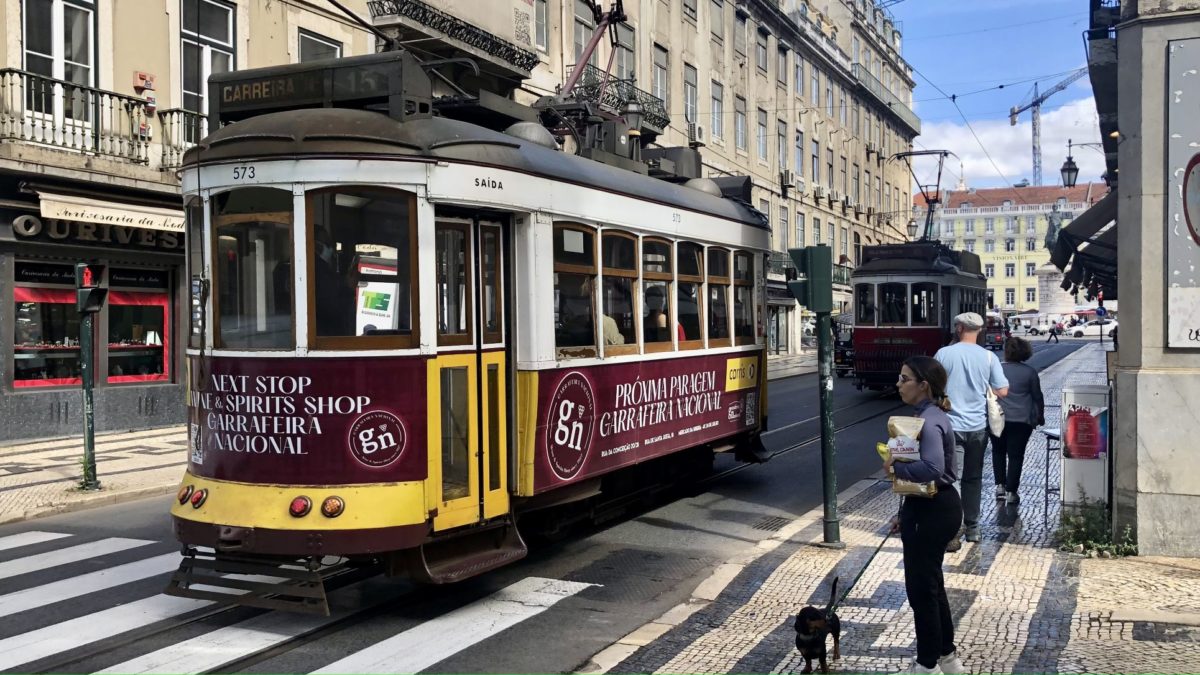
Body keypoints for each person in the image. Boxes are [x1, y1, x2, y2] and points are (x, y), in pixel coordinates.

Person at [886, 356, 966, 675]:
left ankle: (926, 664)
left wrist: (896, 466)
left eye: (904, 379)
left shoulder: (930, 420)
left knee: (921, 590)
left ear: (923, 386)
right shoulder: (928, 415)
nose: (898, 383)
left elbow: (933, 469)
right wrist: (903, 510)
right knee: (931, 585)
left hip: (933, 510)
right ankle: (947, 659)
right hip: (929, 506)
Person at [934, 312, 1008, 550]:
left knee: (951, 479)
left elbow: (932, 385)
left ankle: (953, 530)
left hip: (950, 426)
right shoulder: (988, 357)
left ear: (959, 328)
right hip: (978, 427)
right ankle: (973, 529)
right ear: (979, 330)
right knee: (973, 478)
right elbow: (1003, 390)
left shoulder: (944, 353)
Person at [991, 337, 1045, 505]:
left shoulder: (996, 370)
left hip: (997, 419)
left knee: (998, 451)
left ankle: (1000, 485)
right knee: (1016, 456)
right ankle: (1012, 492)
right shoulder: (1029, 372)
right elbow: (1037, 396)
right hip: (1021, 420)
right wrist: (1040, 415)